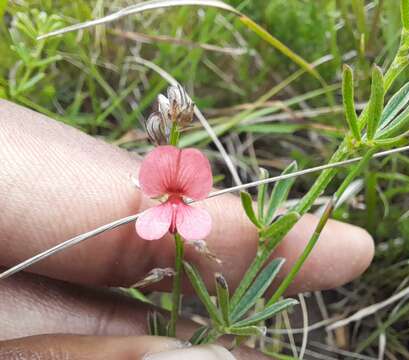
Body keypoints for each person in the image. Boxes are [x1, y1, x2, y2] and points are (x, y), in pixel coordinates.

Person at [0, 100, 374, 359]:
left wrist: (173, 205)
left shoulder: (176, 198)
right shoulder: (163, 194)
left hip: (173, 202)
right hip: (169, 201)